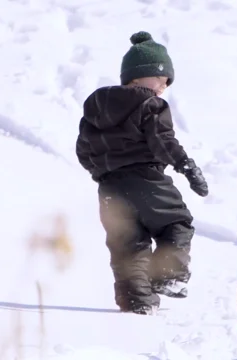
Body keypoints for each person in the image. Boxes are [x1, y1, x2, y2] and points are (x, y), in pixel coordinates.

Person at [75, 31, 209, 315]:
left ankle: (137, 305)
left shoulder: (95, 109)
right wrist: (187, 166)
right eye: (160, 78)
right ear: (137, 76)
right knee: (177, 224)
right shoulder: (150, 105)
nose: (163, 86)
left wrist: (103, 174)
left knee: (127, 247)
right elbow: (163, 142)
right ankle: (168, 276)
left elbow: (83, 150)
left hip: (109, 189)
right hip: (148, 181)